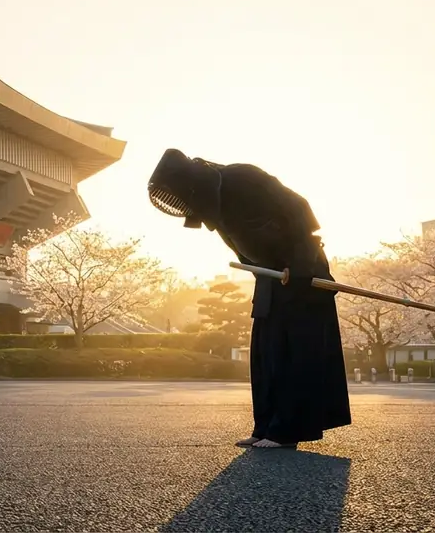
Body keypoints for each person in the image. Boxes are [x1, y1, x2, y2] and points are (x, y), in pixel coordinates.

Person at [147, 149, 351, 449]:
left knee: (293, 352)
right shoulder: (212, 207)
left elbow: (299, 210)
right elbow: (245, 248)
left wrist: (298, 267)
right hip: (270, 276)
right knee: (265, 353)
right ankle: (265, 425)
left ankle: (285, 431)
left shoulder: (241, 177)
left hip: (301, 271)